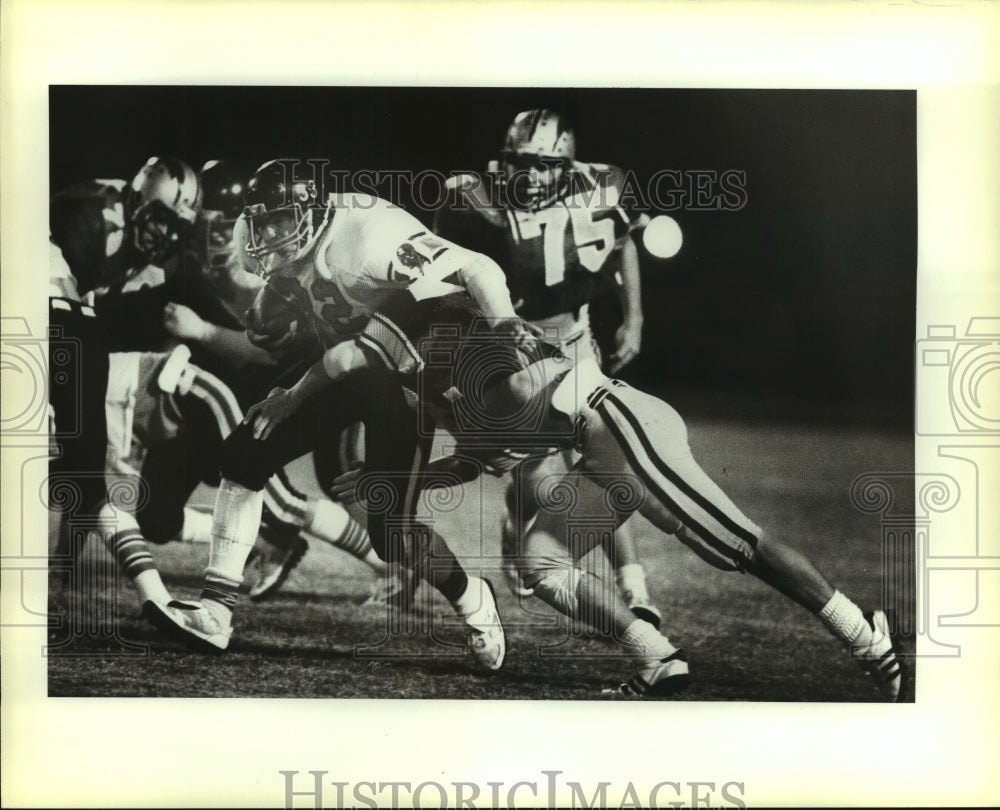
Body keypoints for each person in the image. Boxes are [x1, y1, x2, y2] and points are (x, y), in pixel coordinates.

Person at [274, 288, 904, 701]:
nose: (423, 363)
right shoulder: (453, 392)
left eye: (430, 352)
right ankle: (654, 655)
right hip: (596, 454)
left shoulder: (490, 360)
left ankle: (865, 634)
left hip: (623, 429)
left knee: (735, 546)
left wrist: (470, 381)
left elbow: (515, 388)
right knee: (540, 564)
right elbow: (479, 458)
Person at [143, 159, 529, 671]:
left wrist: (503, 324)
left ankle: (472, 597)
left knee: (391, 533)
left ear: (312, 210)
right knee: (245, 451)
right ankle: (215, 610)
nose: (268, 234)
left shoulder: (368, 234)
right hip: (345, 364)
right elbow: (302, 341)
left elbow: (476, 266)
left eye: (281, 220)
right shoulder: (266, 235)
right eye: (263, 223)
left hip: (408, 372)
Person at [433, 108, 662, 627]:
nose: (531, 177)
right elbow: (451, 279)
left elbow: (623, 243)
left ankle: (635, 586)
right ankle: (519, 525)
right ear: (505, 160)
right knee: (537, 467)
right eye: (521, 163)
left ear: (567, 165)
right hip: (511, 350)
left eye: (544, 165)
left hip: (576, 342)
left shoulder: (601, 187)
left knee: (600, 459)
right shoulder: (475, 199)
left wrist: (635, 316)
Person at [49, 156, 202, 612]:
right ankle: (151, 596)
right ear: (135, 200)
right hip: (37, 310)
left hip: (65, 319)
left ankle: (65, 570)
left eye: (176, 224)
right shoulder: (93, 209)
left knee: (85, 463)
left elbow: (87, 308)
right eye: (159, 217)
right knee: (83, 461)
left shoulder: (154, 262)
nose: (164, 233)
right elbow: (67, 308)